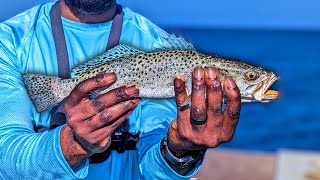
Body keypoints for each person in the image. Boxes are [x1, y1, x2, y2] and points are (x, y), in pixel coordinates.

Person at [0, 0, 241, 179]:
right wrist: (73, 144)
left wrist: (181, 149)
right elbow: (4, 158)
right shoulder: (9, 41)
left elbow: (154, 169)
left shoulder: (157, 47)